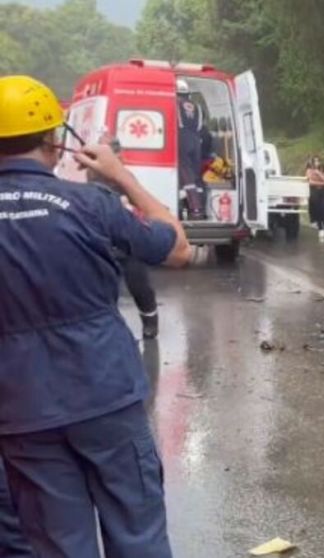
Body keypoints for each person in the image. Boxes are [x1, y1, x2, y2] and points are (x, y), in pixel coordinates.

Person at [0, 75, 192, 558]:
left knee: (60, 546)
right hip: (106, 396)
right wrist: (121, 175)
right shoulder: (90, 203)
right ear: (55, 139)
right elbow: (179, 249)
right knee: (138, 534)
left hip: (23, 412)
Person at [87, 135, 160, 339]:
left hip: (127, 237)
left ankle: (150, 320)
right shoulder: (92, 174)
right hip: (102, 238)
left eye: (114, 151)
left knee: (139, 284)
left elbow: (139, 203)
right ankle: (105, 326)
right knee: (99, 286)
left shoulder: (124, 176)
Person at [177, 78, 206, 220]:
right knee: (196, 174)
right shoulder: (198, 107)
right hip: (196, 140)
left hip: (182, 139)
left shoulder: (175, 104)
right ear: (188, 94)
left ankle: (194, 208)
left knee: (186, 174)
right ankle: (201, 208)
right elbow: (201, 127)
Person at [306, 156, 324, 241]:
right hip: (315, 192)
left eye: (318, 161)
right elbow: (310, 182)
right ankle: (320, 228)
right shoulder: (309, 170)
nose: (317, 163)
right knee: (317, 209)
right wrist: (321, 182)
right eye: (315, 161)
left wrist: (318, 173)